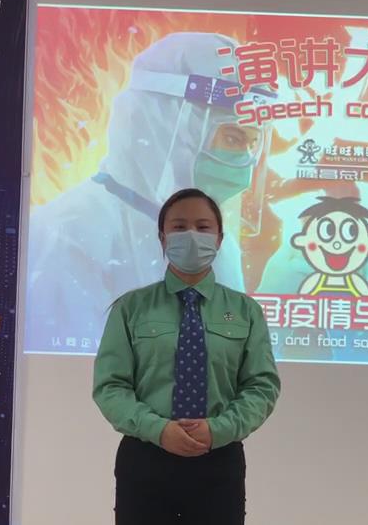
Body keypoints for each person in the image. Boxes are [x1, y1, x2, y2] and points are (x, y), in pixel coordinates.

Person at [25, 32, 274, 353]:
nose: (244, 165)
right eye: (233, 138)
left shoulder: (216, 247)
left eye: (252, 143)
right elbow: (72, 371)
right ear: (164, 126)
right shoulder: (68, 236)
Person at [92, 188, 281, 525]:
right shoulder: (131, 308)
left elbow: (261, 387)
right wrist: (159, 429)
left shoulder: (245, 311)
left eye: (203, 227)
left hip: (218, 460)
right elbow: (111, 387)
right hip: (146, 458)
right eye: (179, 227)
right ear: (162, 237)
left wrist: (219, 429)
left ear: (219, 239)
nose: (191, 235)